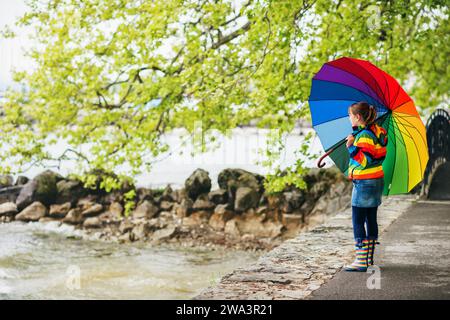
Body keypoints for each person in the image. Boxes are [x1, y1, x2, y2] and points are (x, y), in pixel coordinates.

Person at [344, 101, 388, 272]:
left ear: (358, 117)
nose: (349, 118)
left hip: (364, 183)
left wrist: (351, 147)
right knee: (370, 218)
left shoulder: (365, 136)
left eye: (350, 115)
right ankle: (368, 259)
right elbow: (372, 151)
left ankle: (361, 262)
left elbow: (364, 160)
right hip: (376, 180)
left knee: (357, 220)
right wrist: (356, 136)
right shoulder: (378, 131)